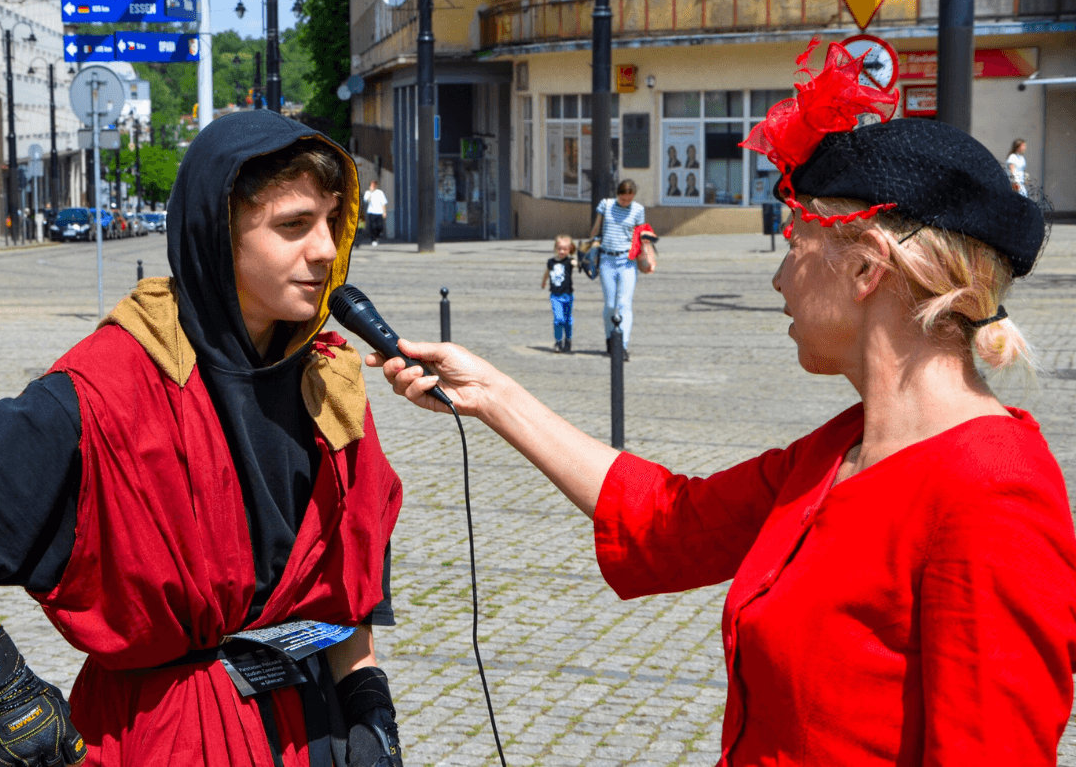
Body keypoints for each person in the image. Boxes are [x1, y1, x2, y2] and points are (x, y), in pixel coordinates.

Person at [372, 42, 1076, 765]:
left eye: (796, 238)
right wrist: (492, 393)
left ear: (866, 264)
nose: (777, 276)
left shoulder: (994, 493)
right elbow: (668, 523)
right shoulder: (840, 450)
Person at [0, 111, 406, 767]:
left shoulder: (329, 377)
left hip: (310, 722)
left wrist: (369, 701)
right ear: (219, 237)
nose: (324, 247)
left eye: (330, 219)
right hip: (171, 733)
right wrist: (5, 690)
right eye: (293, 225)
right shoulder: (112, 381)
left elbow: (344, 582)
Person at [589, 179, 653, 361]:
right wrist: (591, 245)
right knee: (610, 304)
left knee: (624, 303)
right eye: (623, 199)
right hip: (607, 259)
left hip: (627, 261)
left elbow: (639, 236)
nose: (625, 203)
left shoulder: (638, 210)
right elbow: (596, 228)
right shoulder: (606, 204)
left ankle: (622, 345)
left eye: (629, 200)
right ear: (617, 195)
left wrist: (644, 257)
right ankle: (610, 339)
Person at [541, 234, 577, 353]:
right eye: (559, 248)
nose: (562, 251)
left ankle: (568, 340)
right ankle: (558, 341)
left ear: (569, 249)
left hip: (568, 295)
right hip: (555, 295)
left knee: (567, 320)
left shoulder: (569, 261)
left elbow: (576, 263)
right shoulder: (551, 262)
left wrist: (577, 262)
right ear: (555, 248)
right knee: (558, 319)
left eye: (565, 249)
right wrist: (544, 282)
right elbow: (547, 272)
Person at [363, 179, 388, 246]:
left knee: (380, 226)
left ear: (376, 185)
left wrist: (384, 212)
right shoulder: (367, 193)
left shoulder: (380, 192)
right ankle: (373, 240)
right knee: (373, 227)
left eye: (374, 184)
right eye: (371, 185)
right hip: (371, 212)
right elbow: (367, 200)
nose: (373, 186)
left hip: (379, 212)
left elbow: (383, 203)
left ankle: (377, 236)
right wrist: (371, 192)